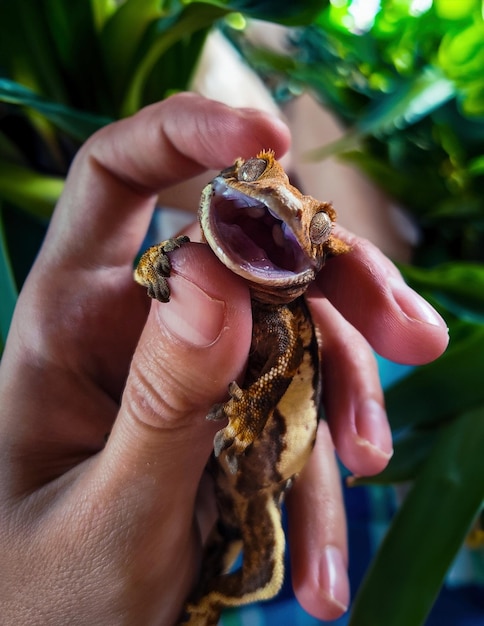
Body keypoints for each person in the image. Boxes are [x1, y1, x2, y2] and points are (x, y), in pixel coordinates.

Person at [0, 93, 448, 625]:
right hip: (214, 462)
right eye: (253, 170)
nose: (268, 193)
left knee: (258, 545)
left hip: (260, 462)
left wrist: (245, 412)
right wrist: (155, 265)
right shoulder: (194, 260)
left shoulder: (283, 326)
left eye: (318, 229)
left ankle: (216, 600)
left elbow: (281, 359)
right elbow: (151, 273)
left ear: (311, 267)